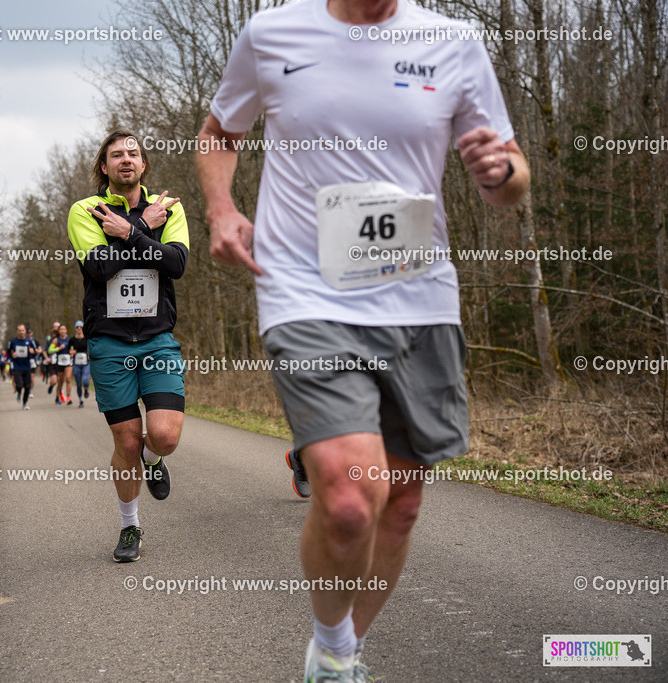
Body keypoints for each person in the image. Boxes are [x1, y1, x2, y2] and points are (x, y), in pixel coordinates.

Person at [196, 0, 530, 679]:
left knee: (400, 503)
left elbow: (512, 179)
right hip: (303, 288)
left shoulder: (453, 40)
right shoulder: (271, 33)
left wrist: (500, 173)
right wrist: (223, 209)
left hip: (418, 296)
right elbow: (217, 133)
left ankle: (340, 649)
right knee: (351, 497)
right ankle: (337, 651)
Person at [67, 130, 190, 563]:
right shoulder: (86, 210)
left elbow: (175, 264)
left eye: (133, 154)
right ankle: (129, 525)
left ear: (144, 164)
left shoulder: (168, 208)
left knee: (162, 437)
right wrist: (142, 230)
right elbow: (99, 268)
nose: (126, 160)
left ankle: (156, 461)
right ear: (104, 166)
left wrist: (130, 233)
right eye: (116, 154)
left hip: (157, 338)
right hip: (109, 343)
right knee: (127, 441)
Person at [7, 324, 40, 410]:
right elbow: (8, 354)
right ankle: (18, 392)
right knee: (19, 384)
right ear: (17, 331)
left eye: (23, 330)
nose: (21, 332)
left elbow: (36, 352)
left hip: (27, 367)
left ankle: (24, 403)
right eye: (20, 330)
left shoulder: (29, 341)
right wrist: (11, 355)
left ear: (25, 331)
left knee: (27, 386)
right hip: (17, 367)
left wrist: (33, 352)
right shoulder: (13, 342)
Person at [69, 321, 91, 408]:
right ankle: (81, 400)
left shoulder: (86, 338)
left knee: (85, 379)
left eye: (81, 327)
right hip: (76, 363)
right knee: (78, 383)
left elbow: (90, 347)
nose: (79, 328)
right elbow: (68, 350)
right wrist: (71, 352)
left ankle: (86, 389)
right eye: (77, 327)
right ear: (75, 329)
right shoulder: (72, 340)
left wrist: (89, 354)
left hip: (86, 363)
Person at [52, 324, 74, 404]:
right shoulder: (56, 340)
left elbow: (73, 348)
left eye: (64, 329)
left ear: (66, 331)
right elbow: (50, 350)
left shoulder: (69, 339)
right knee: (60, 381)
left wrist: (72, 352)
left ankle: (68, 397)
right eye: (61, 329)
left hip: (68, 361)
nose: (62, 331)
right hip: (60, 362)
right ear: (58, 331)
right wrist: (58, 348)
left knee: (68, 379)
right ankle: (58, 395)